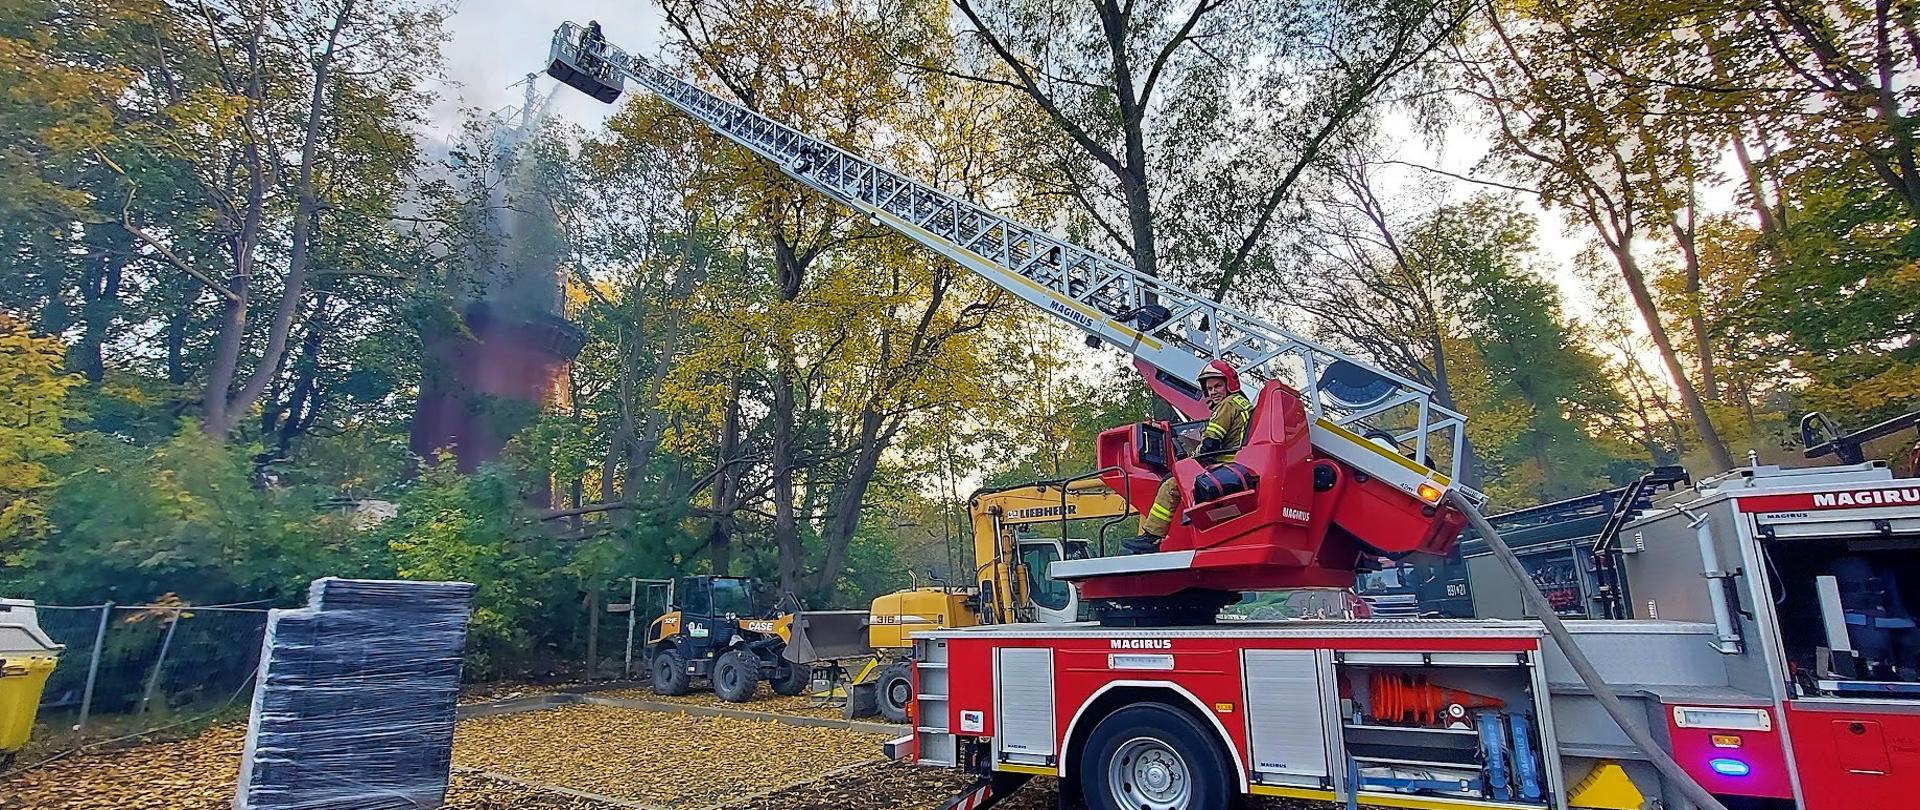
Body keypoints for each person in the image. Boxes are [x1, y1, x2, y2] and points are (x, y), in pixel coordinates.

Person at [1124, 360, 1254, 554]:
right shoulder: (1242, 404)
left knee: (1170, 485)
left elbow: (1211, 443)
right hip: (1236, 466)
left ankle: (1151, 538)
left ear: (1229, 384)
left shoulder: (1226, 406)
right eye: (1209, 389)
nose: (1213, 392)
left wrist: (1191, 464)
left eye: (1217, 386)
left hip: (1224, 465)